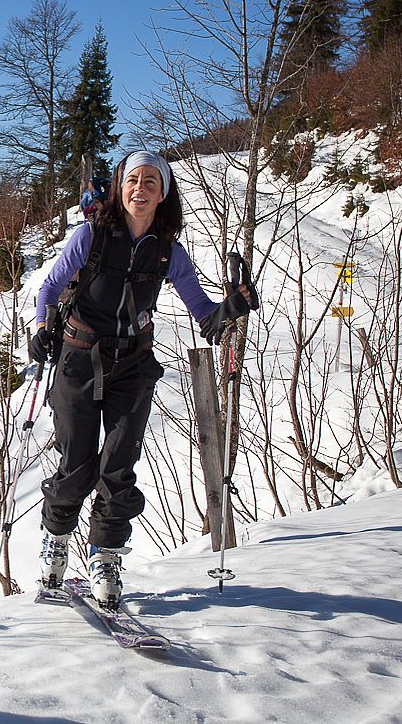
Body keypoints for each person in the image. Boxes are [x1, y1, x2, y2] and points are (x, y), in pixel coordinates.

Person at [27, 150, 258, 608]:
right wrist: (40, 327)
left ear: (163, 194)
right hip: (77, 358)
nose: (140, 188)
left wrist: (232, 306)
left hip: (132, 366)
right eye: (133, 180)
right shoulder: (90, 236)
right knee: (76, 466)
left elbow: (206, 317)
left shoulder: (169, 252)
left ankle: (105, 558)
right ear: (119, 187)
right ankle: (56, 542)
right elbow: (50, 288)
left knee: (117, 468)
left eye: (151, 181)